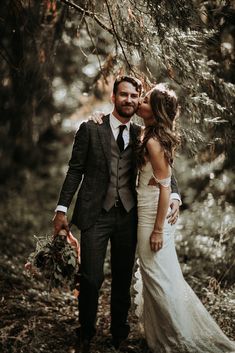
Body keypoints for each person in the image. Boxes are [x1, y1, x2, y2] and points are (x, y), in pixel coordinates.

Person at [53, 75, 181, 353]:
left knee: (122, 278)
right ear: (113, 97)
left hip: (129, 216)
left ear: (138, 101)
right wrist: (61, 208)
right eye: (124, 95)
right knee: (91, 278)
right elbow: (75, 169)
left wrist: (174, 195)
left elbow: (166, 166)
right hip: (94, 215)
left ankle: (118, 334)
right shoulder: (90, 128)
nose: (129, 100)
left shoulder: (142, 133)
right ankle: (85, 331)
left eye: (135, 96)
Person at [133, 83, 235, 353]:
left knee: (159, 279)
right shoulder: (148, 135)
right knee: (160, 277)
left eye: (144, 101)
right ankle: (163, 336)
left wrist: (157, 230)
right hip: (147, 212)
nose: (139, 103)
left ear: (154, 111)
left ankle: (180, 340)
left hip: (152, 219)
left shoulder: (154, 142)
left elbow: (166, 188)